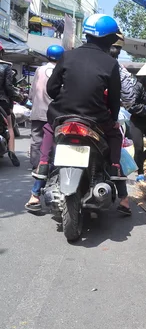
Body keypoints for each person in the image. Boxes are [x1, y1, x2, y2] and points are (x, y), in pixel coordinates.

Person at [34, 14, 130, 213]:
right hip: (96, 118)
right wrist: (113, 120)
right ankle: (113, 167)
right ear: (109, 39)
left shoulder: (67, 56)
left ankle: (43, 164)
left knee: (49, 129)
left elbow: (52, 89)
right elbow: (114, 98)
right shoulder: (111, 64)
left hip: (63, 114)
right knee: (115, 134)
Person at [25, 45, 64, 212]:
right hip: (54, 115)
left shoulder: (40, 70)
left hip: (38, 112)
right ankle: (51, 168)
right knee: (55, 144)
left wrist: (32, 101)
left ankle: (36, 167)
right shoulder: (62, 71)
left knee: (36, 141)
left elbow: (33, 92)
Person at [0, 51, 22, 166]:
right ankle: (12, 152)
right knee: (9, 127)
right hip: (3, 101)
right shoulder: (6, 66)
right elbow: (8, 86)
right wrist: (16, 96)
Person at [109, 33, 136, 108]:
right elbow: (129, 100)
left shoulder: (85, 61)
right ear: (119, 51)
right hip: (104, 115)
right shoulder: (120, 70)